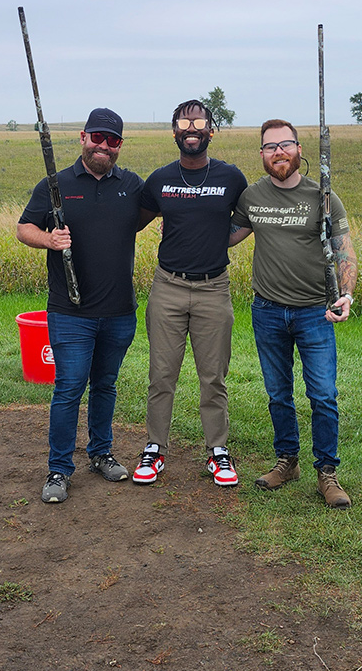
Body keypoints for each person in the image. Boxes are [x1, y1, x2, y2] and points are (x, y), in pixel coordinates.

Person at [17, 108, 145, 504]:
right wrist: (49, 241)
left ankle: (101, 453)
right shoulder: (55, 185)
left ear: (120, 146)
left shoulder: (132, 186)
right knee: (70, 388)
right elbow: (24, 228)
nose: (104, 146)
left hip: (120, 311)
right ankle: (59, 469)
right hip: (70, 312)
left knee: (105, 385)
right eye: (98, 137)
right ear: (83, 137)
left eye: (113, 140)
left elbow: (157, 214)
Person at [229, 118, 356, 508]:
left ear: (300, 149)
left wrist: (345, 294)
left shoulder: (324, 197)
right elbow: (227, 238)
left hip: (314, 313)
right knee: (278, 393)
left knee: (323, 394)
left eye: (285, 145)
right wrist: (183, 229)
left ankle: (327, 473)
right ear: (262, 155)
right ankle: (287, 462)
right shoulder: (251, 197)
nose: (278, 152)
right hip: (267, 310)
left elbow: (345, 251)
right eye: (270, 147)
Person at [132, 99, 248, 487]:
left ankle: (218, 451)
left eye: (199, 122)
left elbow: (248, 218)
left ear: (211, 130)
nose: (191, 128)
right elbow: (132, 222)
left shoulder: (232, 178)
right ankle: (154, 449)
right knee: (161, 375)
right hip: (168, 287)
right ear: (175, 132)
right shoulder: (160, 179)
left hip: (214, 289)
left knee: (213, 377)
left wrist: (221, 241)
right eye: (184, 122)